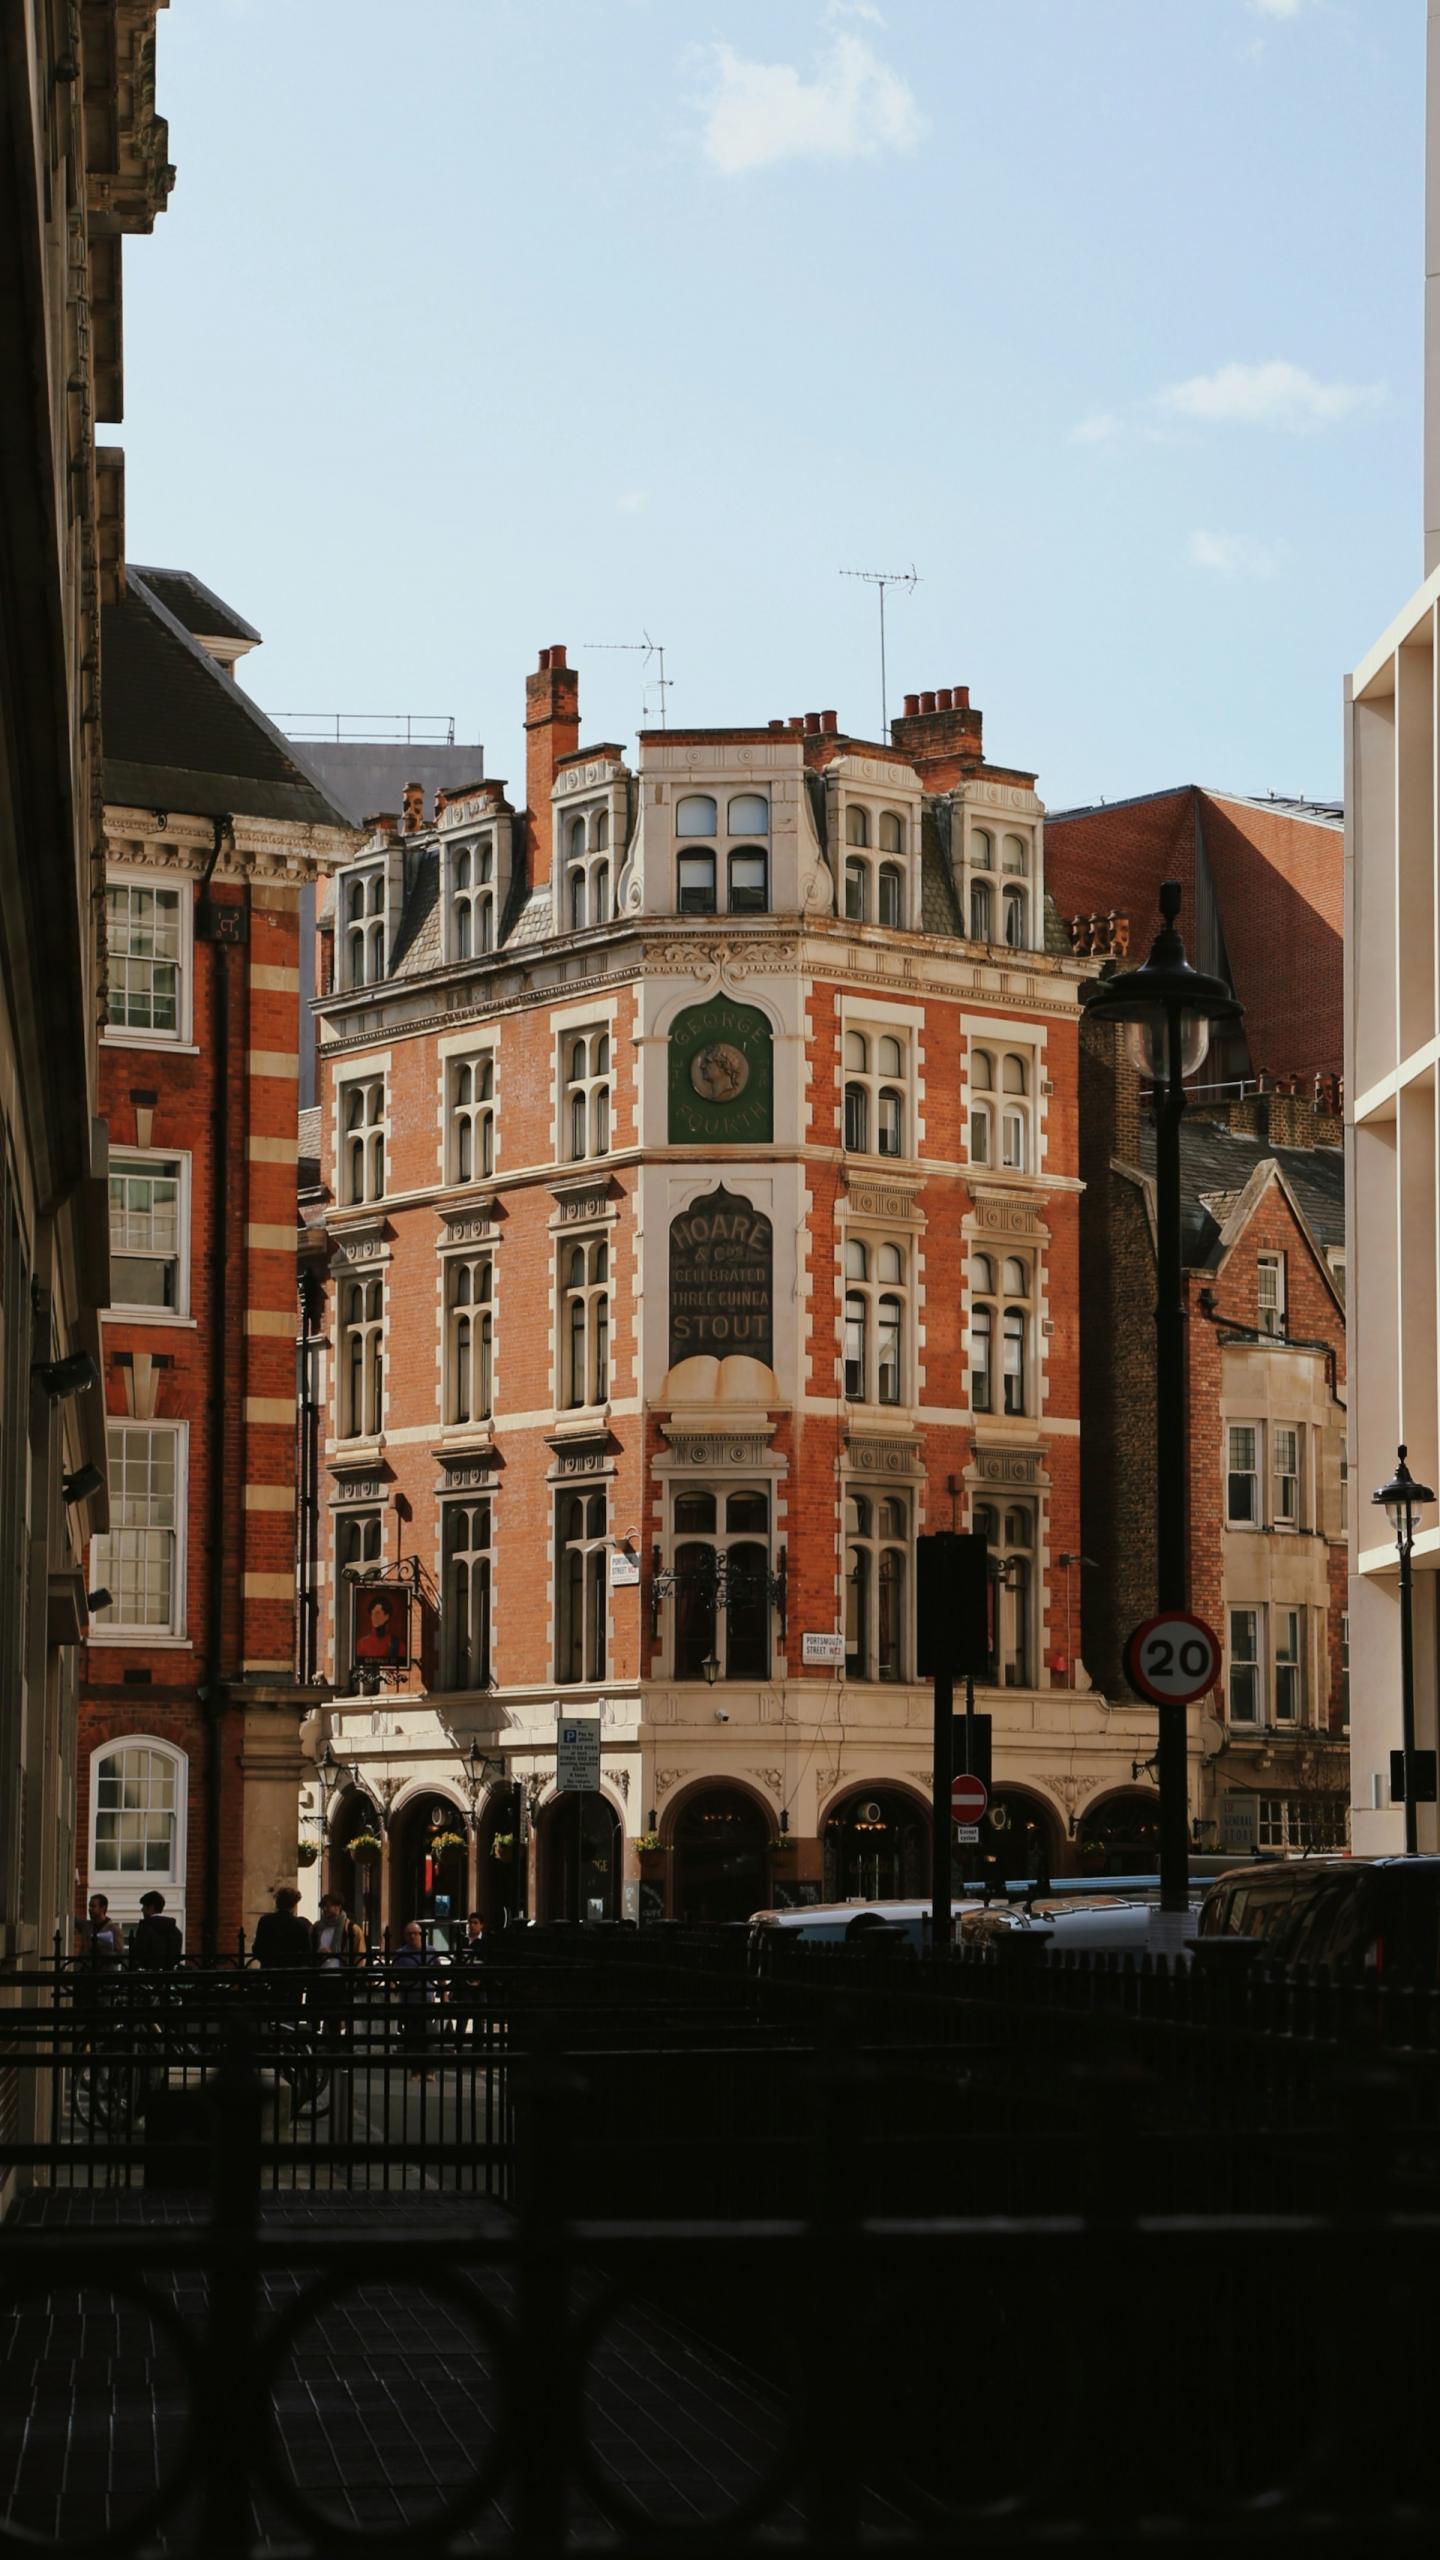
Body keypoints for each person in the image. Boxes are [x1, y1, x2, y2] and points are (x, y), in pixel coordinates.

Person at [311, 1890, 365, 2044]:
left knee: (341, 2016)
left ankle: (341, 2048)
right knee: (322, 2015)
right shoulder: (317, 1928)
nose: (326, 1910)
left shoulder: (351, 1928)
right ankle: (325, 2046)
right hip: (321, 1977)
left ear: (339, 1907)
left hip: (341, 1978)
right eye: (324, 1907)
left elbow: (360, 1955)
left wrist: (354, 1975)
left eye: (329, 1906)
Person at [394, 1919, 444, 2081]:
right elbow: (392, 1976)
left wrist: (444, 1995)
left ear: (421, 1935)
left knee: (429, 2036)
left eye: (415, 1933)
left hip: (427, 2001)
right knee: (412, 2038)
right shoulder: (401, 1953)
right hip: (408, 2001)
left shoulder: (430, 1951)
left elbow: (440, 1975)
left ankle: (429, 2071)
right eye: (409, 1934)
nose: (412, 1937)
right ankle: (415, 2071)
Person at [252, 1886, 315, 1968]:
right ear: (294, 1905)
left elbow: (257, 1949)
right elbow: (307, 1952)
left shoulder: (265, 1921)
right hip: (291, 1971)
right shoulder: (300, 1924)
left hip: (270, 1969)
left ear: (277, 1903)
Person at [129, 1891, 183, 1970]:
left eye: (144, 1906)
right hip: (169, 1977)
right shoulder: (175, 1930)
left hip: (149, 1977)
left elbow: (138, 1956)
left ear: (151, 1907)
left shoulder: (145, 1929)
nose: (142, 1909)